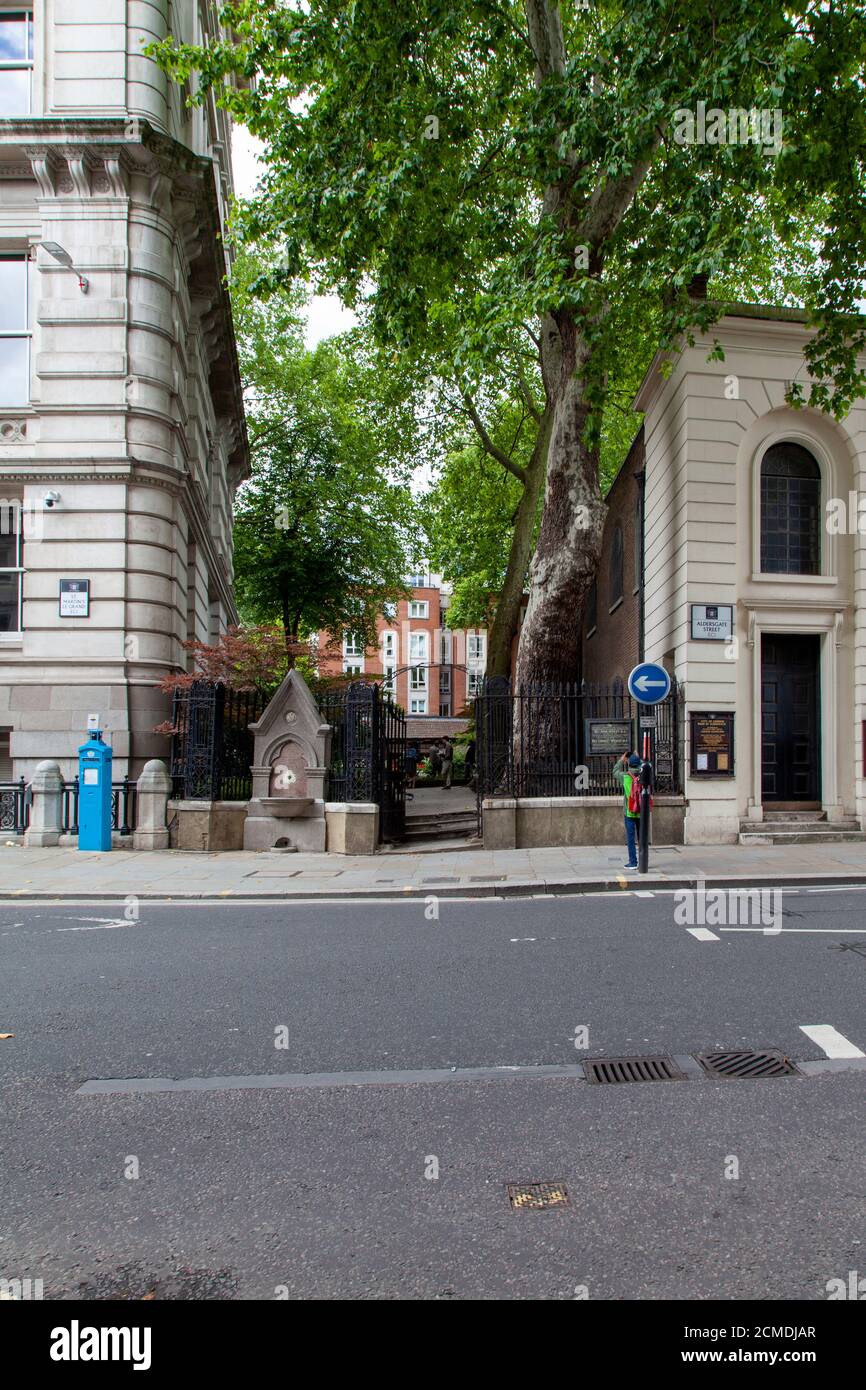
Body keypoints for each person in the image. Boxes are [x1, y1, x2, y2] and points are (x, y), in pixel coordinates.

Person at [613, 751, 642, 870]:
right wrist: (638, 758)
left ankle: (633, 862)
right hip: (641, 812)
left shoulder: (625, 777)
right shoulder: (643, 775)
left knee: (631, 838)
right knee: (642, 838)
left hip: (629, 812)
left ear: (629, 764)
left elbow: (614, 771)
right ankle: (643, 860)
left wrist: (621, 760)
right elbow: (646, 765)